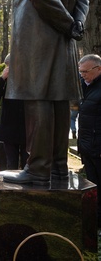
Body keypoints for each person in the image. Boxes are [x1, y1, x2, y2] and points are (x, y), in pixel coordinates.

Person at [2, 0, 89, 185]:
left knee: (37, 95)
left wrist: (69, 23)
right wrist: (76, 21)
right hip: (64, 36)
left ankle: (39, 167)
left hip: (36, 32)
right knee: (58, 97)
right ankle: (57, 167)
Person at [0, 55, 28, 170]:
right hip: (9, 128)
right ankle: (11, 187)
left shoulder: (29, 80)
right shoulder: (5, 80)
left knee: (27, 162)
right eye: (7, 67)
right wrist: (2, 79)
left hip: (26, 128)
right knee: (11, 163)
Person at [77, 54, 101, 227]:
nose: (83, 75)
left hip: (97, 146)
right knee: (93, 186)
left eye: (86, 71)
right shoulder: (86, 86)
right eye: (81, 72)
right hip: (88, 147)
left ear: (98, 68)